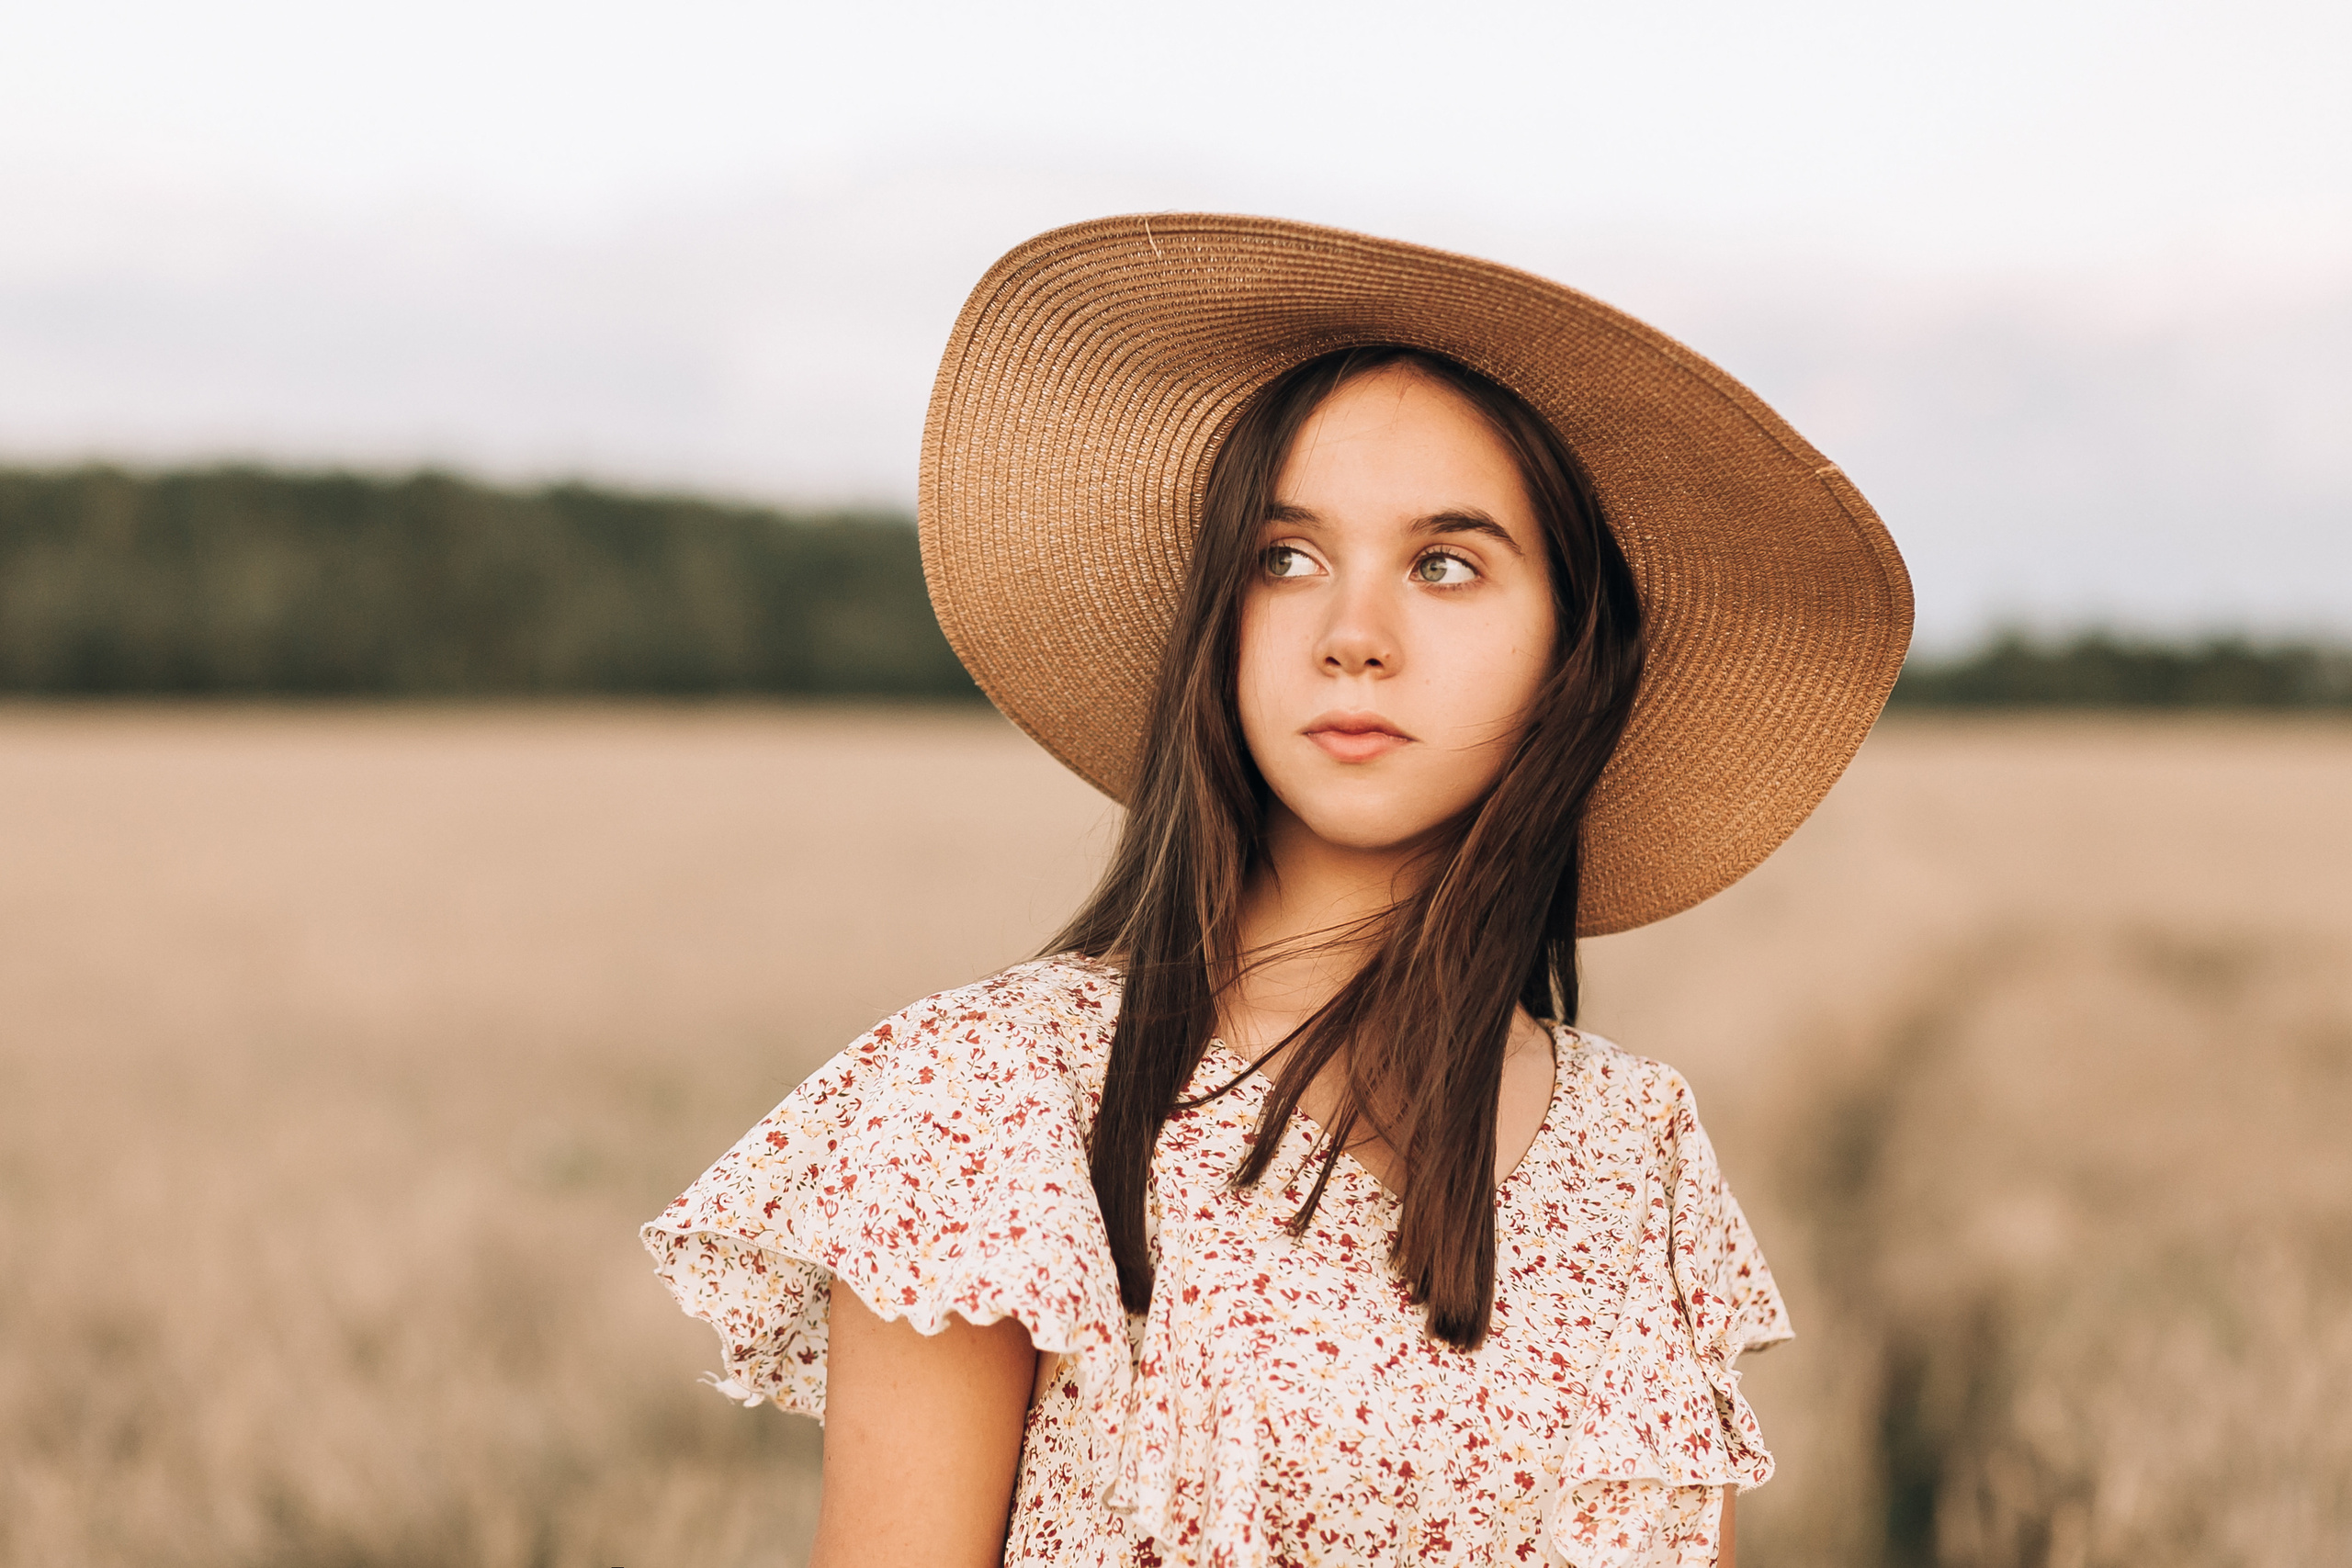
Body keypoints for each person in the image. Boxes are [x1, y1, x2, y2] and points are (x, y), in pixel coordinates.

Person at [644, 215, 1912, 1568]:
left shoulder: (1636, 1153)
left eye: (1445, 564)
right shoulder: (992, 1102)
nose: (1352, 638)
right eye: (1285, 557)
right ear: (1221, 622)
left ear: (1571, 652)